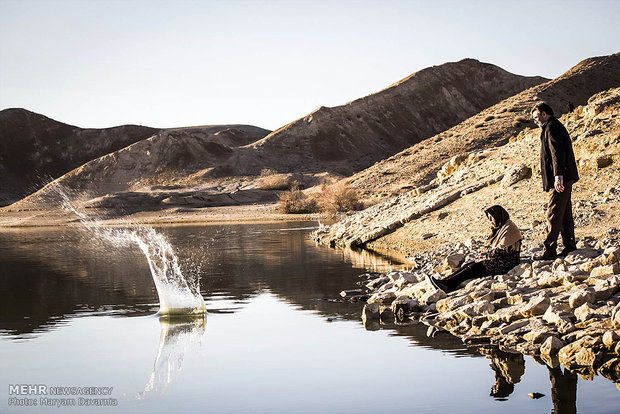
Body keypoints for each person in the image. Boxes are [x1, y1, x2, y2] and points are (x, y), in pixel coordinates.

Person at [429, 205, 522, 293]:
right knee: (470, 264)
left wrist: (486, 256)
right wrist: (485, 255)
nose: (490, 221)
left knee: (473, 268)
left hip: (507, 264)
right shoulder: (503, 227)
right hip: (501, 260)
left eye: (492, 217)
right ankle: (445, 282)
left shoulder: (509, 229)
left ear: (498, 216)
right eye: (489, 218)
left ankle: (448, 285)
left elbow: (500, 251)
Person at [531, 102, 579, 260]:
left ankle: (549, 250)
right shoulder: (552, 126)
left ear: (544, 114)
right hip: (564, 177)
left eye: (537, 117)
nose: (536, 121)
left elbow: (557, 153)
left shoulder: (551, 127)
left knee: (553, 213)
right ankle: (569, 246)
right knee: (564, 212)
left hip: (561, 178)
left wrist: (558, 177)